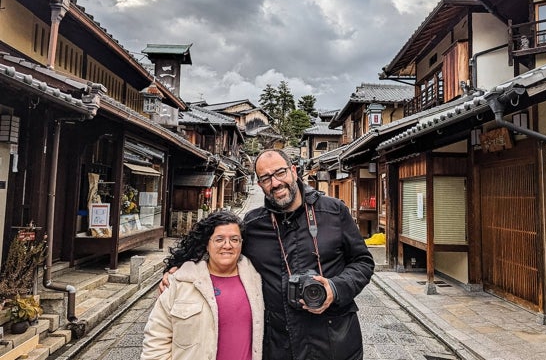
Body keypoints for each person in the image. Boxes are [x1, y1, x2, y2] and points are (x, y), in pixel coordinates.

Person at [162, 149, 375, 360]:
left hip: (337, 342)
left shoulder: (333, 211)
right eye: (266, 178)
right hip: (280, 345)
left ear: (293, 171)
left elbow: (363, 262)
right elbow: (218, 251)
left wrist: (335, 288)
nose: (275, 183)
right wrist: (180, 268)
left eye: (280, 173)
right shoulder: (253, 225)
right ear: (260, 184)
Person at [142, 211, 263, 360]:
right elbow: (157, 339)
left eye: (234, 239)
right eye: (219, 239)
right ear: (207, 244)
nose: (227, 245)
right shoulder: (182, 281)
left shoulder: (257, 278)